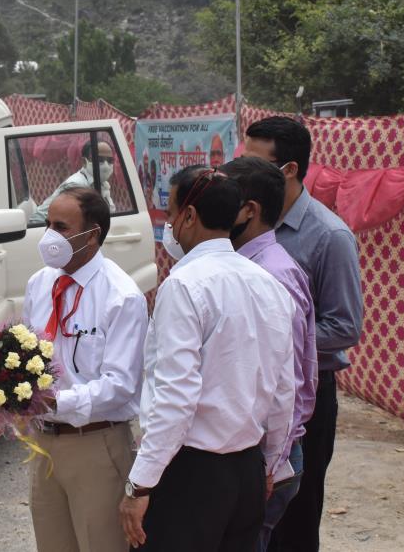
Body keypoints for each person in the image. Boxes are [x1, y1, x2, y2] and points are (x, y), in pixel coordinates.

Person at [119, 166, 295, 551]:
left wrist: (140, 484)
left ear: (190, 216)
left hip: (190, 474)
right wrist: (273, 463)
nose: (169, 225)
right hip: (247, 469)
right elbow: (285, 391)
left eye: (170, 214)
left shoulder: (184, 285)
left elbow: (175, 399)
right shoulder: (269, 286)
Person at [243, 116, 363, 552]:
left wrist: (278, 338)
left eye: (252, 162)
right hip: (252, 392)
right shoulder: (245, 221)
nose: (241, 173)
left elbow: (345, 325)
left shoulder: (328, 236)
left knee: (296, 513)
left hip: (306, 397)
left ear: (288, 170)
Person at [23, 187, 148, 552]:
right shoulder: (39, 283)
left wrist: (54, 402)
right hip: (44, 445)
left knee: (102, 544)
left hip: (96, 444)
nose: (49, 236)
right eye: (47, 225)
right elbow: (31, 355)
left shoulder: (121, 296)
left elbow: (121, 385)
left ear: (92, 234)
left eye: (61, 227)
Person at [219, 156, 317, 550]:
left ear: (248, 211)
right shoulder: (247, 266)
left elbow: (289, 380)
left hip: (264, 459)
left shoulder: (272, 275)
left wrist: (271, 463)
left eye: (220, 199)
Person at [31, 141, 117, 223]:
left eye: (110, 161)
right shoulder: (76, 185)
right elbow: (41, 219)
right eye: (99, 160)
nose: (106, 166)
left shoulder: (101, 183)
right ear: (84, 162)